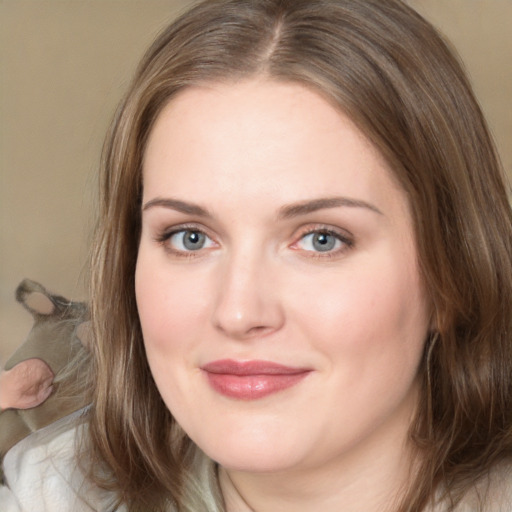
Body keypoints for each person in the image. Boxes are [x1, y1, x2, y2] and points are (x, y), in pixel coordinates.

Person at [2, 0, 512, 510]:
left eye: (322, 239)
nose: (239, 312)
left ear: (454, 275)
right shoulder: (43, 494)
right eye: (190, 237)